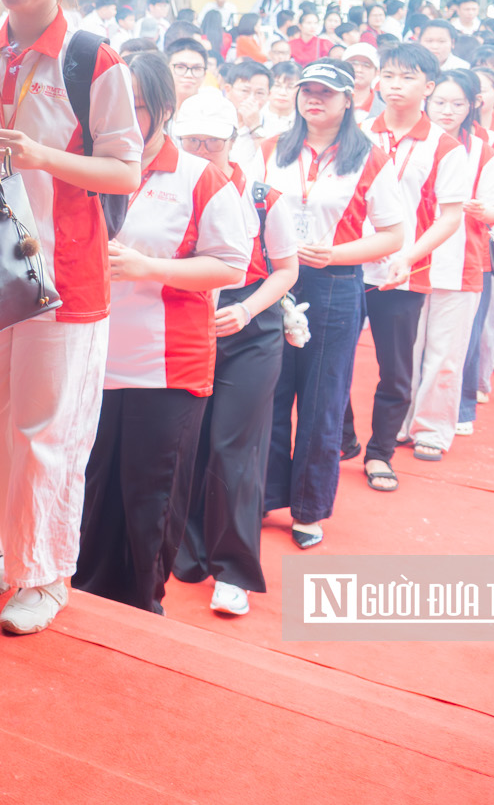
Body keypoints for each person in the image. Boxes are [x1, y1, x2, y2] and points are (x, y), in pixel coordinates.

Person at [0, 0, 142, 638]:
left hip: (63, 274)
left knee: (44, 432)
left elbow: (126, 170)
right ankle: (19, 542)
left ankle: (45, 572)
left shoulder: (92, 57)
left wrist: (40, 156)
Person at [74, 59, 250, 615]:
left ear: (165, 111)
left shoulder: (200, 177)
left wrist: (151, 268)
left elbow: (232, 267)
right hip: (87, 355)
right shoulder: (86, 168)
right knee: (91, 491)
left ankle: (141, 611)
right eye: (113, 103)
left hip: (166, 366)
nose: (123, 117)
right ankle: (84, 598)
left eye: (138, 106)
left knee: (151, 500)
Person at [262, 60, 405, 549]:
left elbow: (393, 235)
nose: (313, 99)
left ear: (350, 100)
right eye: (307, 90)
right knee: (269, 394)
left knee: (324, 400)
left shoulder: (370, 157)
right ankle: (264, 493)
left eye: (326, 92)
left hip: (335, 283)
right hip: (275, 282)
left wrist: (335, 254)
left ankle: (308, 507)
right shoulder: (270, 149)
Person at [170, 91, 299, 617]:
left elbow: (287, 269)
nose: (202, 150)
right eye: (192, 140)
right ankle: (189, 550)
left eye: (212, 142)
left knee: (234, 446)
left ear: (232, 143)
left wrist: (246, 312)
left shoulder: (264, 197)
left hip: (249, 323)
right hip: (185, 318)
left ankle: (235, 570)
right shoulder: (172, 187)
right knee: (187, 439)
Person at [353, 44, 466, 487]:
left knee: (395, 370)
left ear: (429, 86)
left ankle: (379, 453)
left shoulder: (445, 146)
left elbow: (451, 216)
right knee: (328, 361)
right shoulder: (358, 129)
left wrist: (408, 256)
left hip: (404, 272)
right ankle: (341, 436)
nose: (395, 86)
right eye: (389, 76)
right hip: (347, 265)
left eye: (407, 77)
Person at [413, 69, 494, 454]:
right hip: (410, 260)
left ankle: (431, 430)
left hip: (461, 260)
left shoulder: (484, 150)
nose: (447, 110)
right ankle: (402, 420)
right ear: (427, 98)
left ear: (473, 104)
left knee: (447, 353)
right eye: (440, 102)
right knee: (408, 351)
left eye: (458, 103)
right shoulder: (410, 143)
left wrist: (486, 210)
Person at [226, 60, 273, 184]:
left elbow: (272, 167)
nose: (251, 99)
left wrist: (255, 127)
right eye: (245, 91)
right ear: (228, 90)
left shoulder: (276, 126)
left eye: (259, 93)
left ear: (269, 95)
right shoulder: (216, 120)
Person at [165, 36, 210, 110]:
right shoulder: (154, 108)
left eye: (197, 68)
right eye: (180, 67)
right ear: (166, 69)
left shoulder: (212, 111)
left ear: (205, 74)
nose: (189, 75)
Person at [344, 43, 380, 122]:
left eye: (366, 65)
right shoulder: (328, 104)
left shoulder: (385, 110)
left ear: (377, 72)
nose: (359, 69)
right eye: (353, 63)